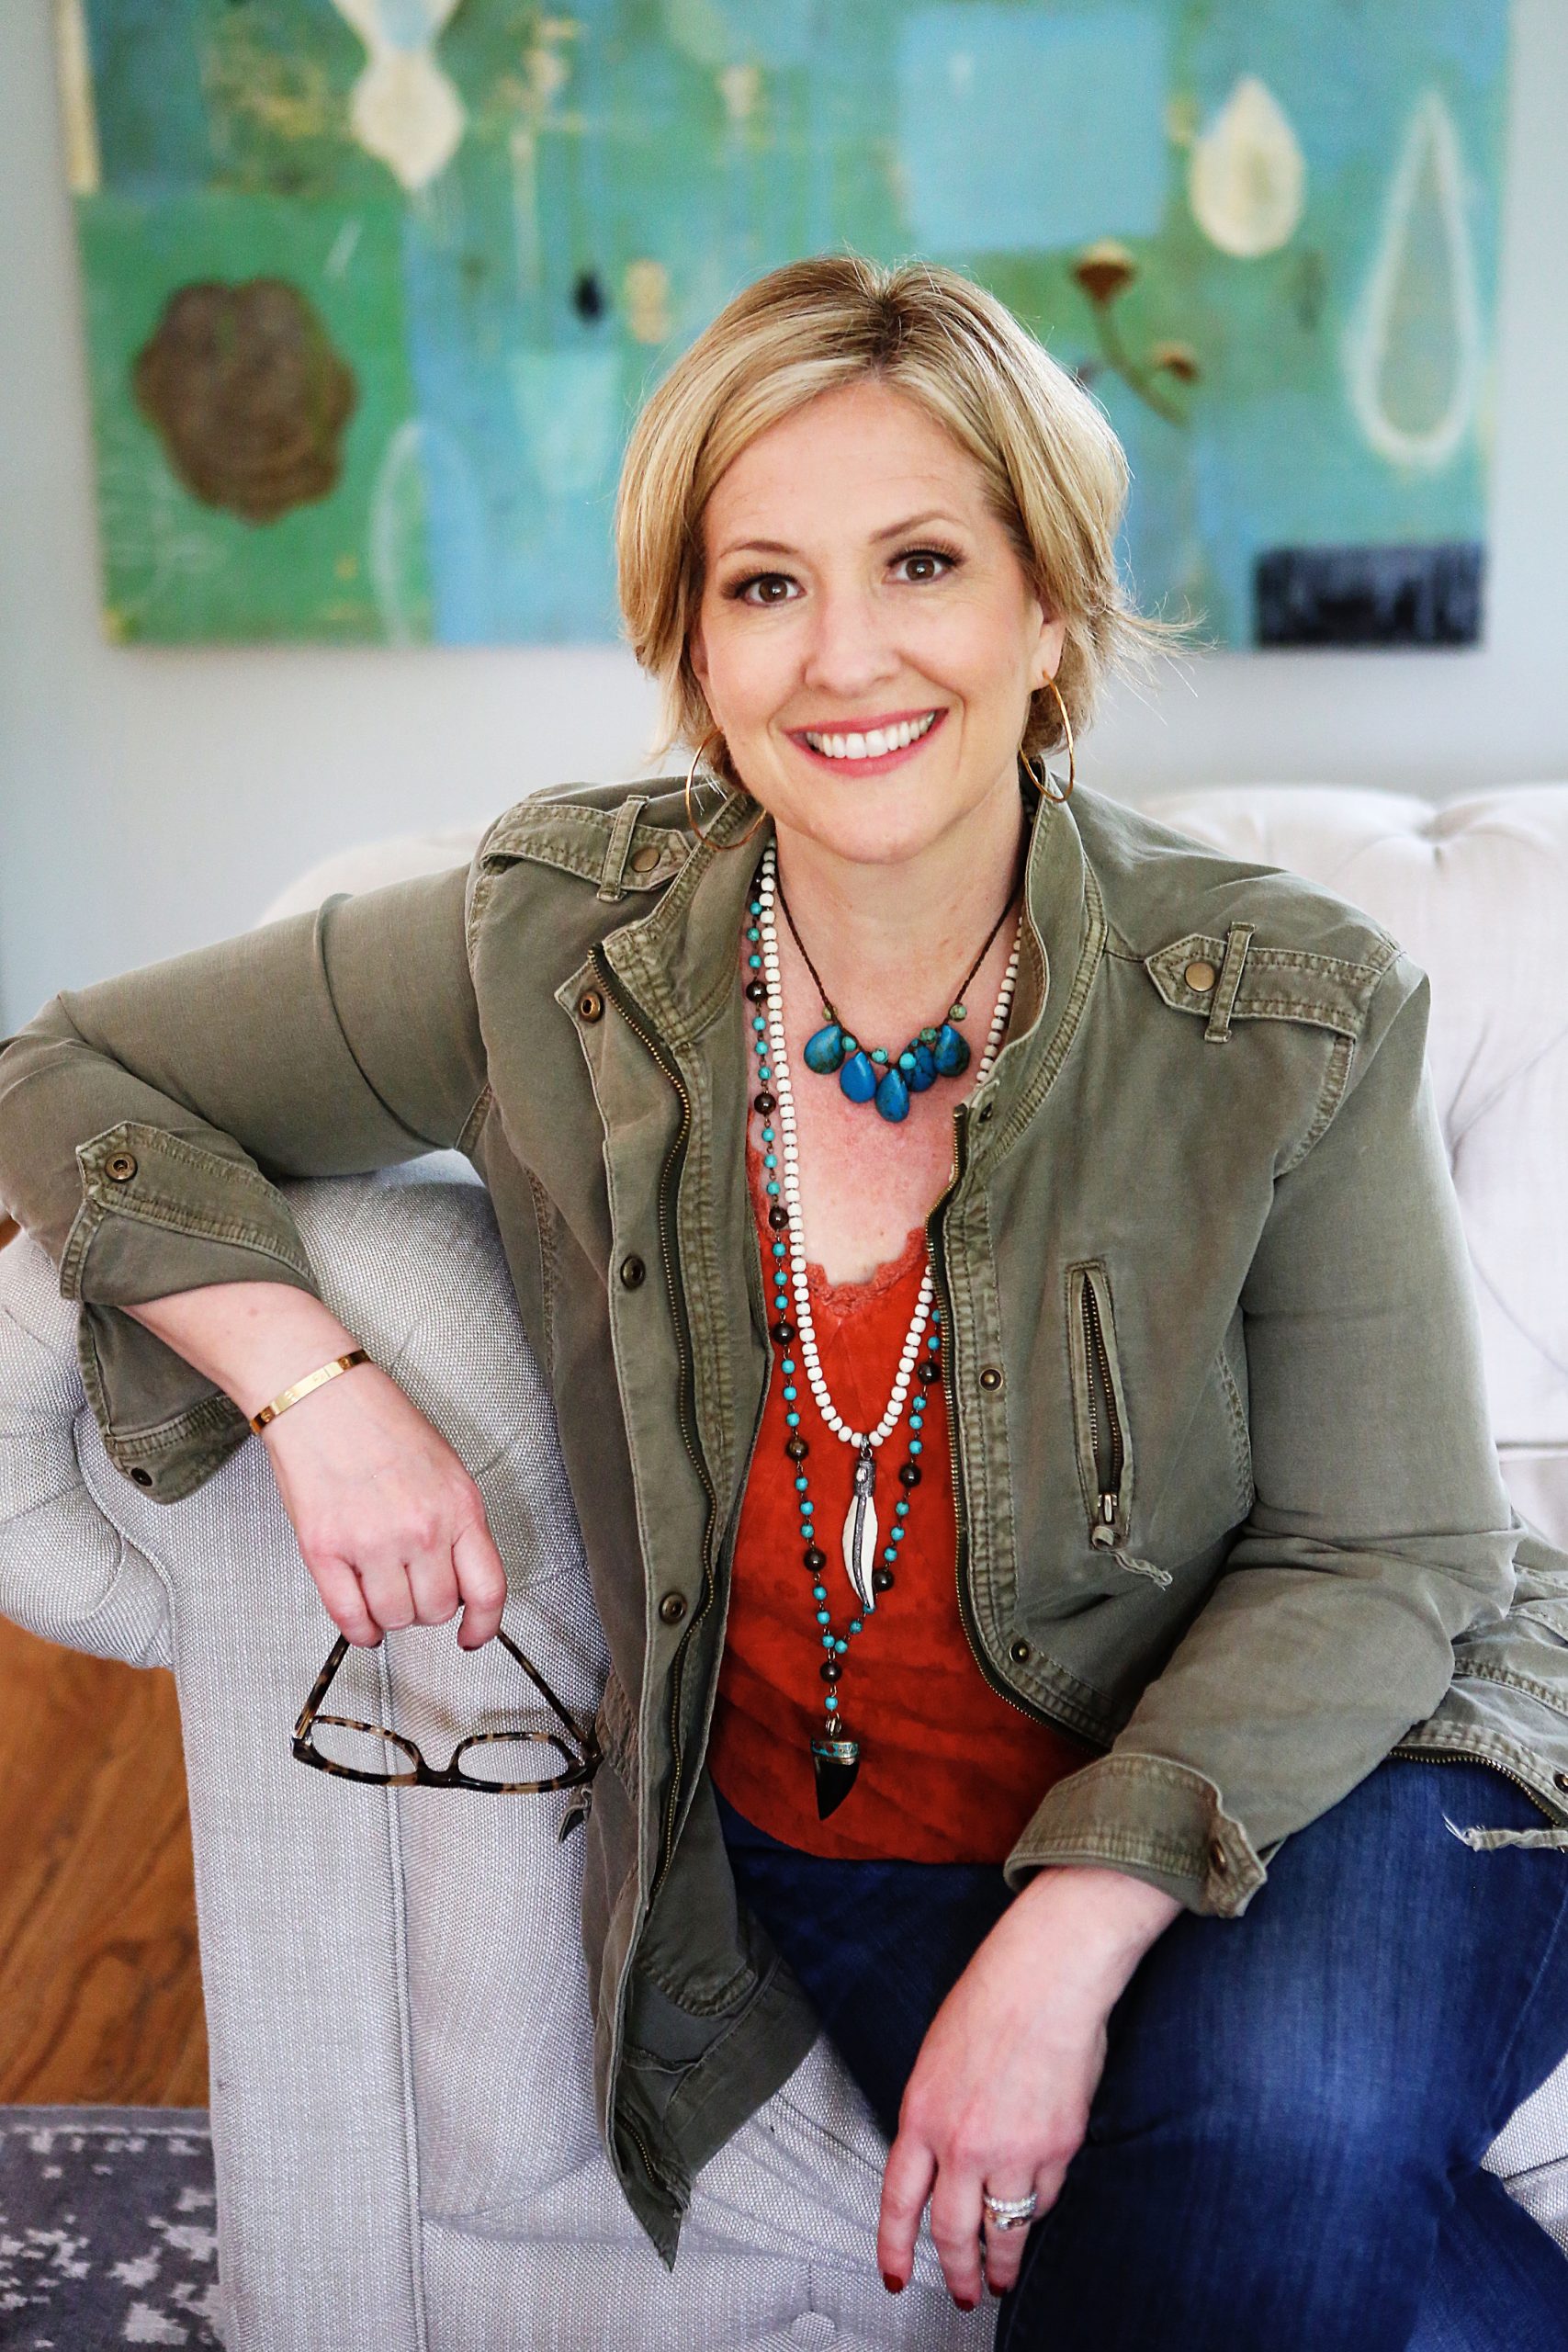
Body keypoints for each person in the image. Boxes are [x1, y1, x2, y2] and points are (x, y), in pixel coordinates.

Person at [3, 254, 1568, 2349]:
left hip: (1365, 1753)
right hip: (860, 1841)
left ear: (1046, 607)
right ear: (690, 642)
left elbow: (1388, 1553)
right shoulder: (557, 949)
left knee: (1278, 2113)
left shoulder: (1278, 1001)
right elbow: (65, 1069)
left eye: (922, 561)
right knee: (1284, 2223)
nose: (844, 655)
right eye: (763, 584)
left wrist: (1064, 1935)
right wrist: (307, 1380)